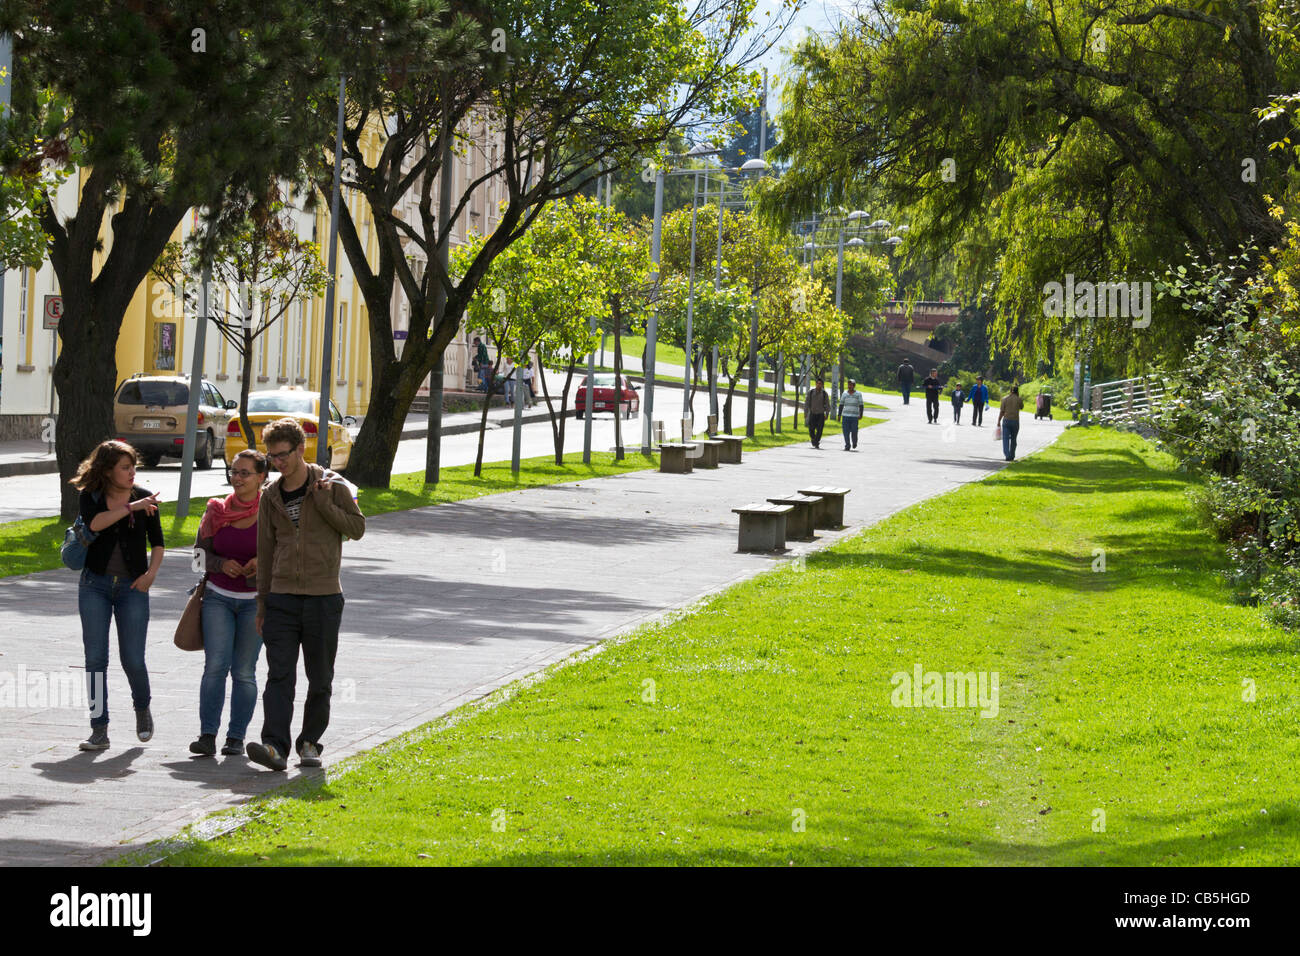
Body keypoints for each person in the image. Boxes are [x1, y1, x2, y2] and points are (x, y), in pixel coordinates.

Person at [249, 418, 366, 771]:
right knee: (279, 674)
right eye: (272, 458)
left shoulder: (331, 485)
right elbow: (265, 551)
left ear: (301, 450)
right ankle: (274, 747)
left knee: (320, 677)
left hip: (323, 596)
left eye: (283, 455)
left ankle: (310, 743)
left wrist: (326, 504)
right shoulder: (270, 495)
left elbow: (357, 529)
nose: (278, 463)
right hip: (282, 597)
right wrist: (262, 604)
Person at [71, 441, 163, 751]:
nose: (131, 472)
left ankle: (142, 708)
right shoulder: (92, 496)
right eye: (125, 467)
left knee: (133, 659)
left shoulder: (144, 496)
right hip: (94, 585)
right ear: (108, 470)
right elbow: (96, 524)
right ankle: (99, 729)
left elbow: (158, 542)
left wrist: (151, 574)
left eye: (133, 466)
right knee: (95, 659)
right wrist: (130, 509)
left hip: (132, 588)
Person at [190, 449, 267, 758]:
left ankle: (235, 737)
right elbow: (198, 558)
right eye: (234, 472)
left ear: (262, 477)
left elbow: (288, 553)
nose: (237, 478)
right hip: (218, 598)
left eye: (244, 473)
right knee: (215, 667)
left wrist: (262, 562)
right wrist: (220, 564)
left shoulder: (272, 512)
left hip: (255, 602)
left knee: (244, 672)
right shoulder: (215, 511)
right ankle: (207, 735)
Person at [998, 384, 1025, 461]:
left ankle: (1007, 455)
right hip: (1015, 421)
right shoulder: (1019, 399)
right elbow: (1021, 407)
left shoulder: (1004, 399)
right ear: (1017, 391)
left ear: (1010, 391)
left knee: (1005, 439)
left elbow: (1002, 411)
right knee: (1013, 439)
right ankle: (1012, 455)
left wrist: (998, 421)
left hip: (1006, 421)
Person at [839, 379, 865, 451]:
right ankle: (847, 445)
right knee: (845, 431)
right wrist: (839, 415)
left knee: (854, 431)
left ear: (854, 386)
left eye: (851, 385)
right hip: (845, 416)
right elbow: (841, 404)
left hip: (854, 416)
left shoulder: (858, 394)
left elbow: (861, 405)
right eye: (849, 384)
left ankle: (854, 442)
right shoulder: (844, 394)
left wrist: (861, 414)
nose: (849, 386)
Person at [805, 377, 831, 448]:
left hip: (820, 414)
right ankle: (814, 439)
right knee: (811, 429)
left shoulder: (824, 394)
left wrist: (827, 414)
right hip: (812, 413)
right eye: (818, 383)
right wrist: (806, 413)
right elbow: (807, 403)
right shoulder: (810, 393)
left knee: (820, 429)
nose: (819, 385)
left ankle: (816, 441)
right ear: (815, 384)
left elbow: (827, 404)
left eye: (820, 384)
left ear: (822, 385)